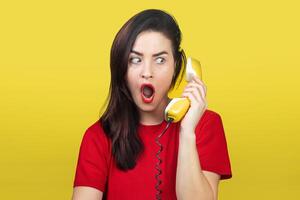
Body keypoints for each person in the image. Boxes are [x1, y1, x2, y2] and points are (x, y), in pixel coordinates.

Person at [72, 9, 232, 200]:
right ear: (122, 68)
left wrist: (187, 132)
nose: (147, 72)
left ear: (176, 67)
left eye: (160, 60)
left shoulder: (205, 124)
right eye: (135, 60)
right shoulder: (98, 136)